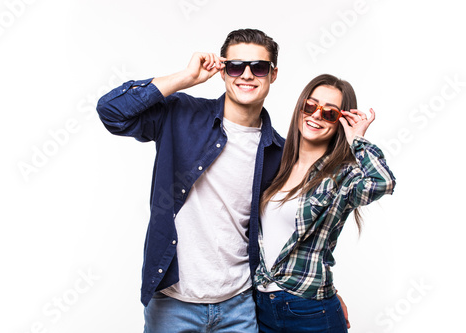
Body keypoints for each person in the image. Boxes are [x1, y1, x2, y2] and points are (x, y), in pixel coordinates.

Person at [96, 29, 284, 332]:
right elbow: (112, 112)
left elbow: (293, 229)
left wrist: (328, 292)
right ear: (223, 70)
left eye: (258, 67)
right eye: (236, 66)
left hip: (240, 305)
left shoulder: (278, 151)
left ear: (272, 74)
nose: (246, 75)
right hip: (173, 304)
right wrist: (185, 77)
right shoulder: (182, 114)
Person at [254, 74, 396, 332]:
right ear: (300, 108)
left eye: (330, 113)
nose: (316, 115)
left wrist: (357, 139)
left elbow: (383, 182)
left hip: (309, 310)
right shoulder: (277, 161)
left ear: (340, 121)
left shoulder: (342, 176)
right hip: (262, 306)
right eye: (311, 105)